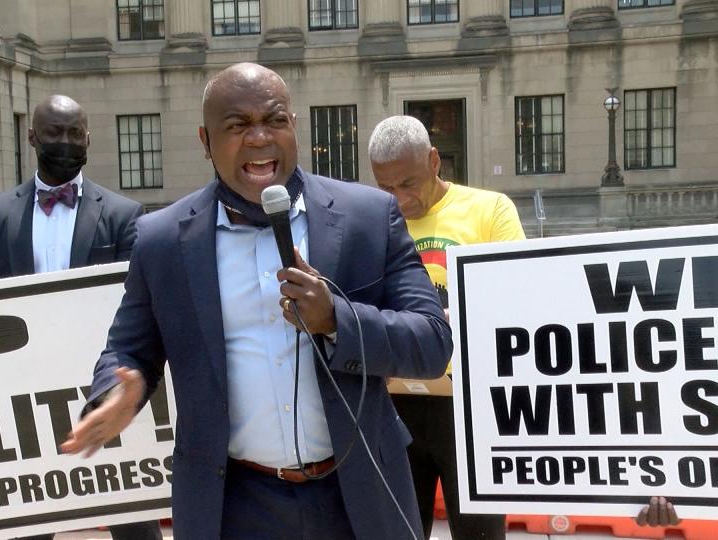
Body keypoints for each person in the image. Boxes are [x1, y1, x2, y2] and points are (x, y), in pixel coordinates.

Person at [61, 63, 453, 540]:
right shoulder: (162, 240)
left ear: (294, 126)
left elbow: (432, 343)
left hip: (359, 497)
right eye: (238, 126)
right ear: (206, 142)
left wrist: (337, 320)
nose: (260, 137)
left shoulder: (369, 217)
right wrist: (117, 393)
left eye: (274, 120)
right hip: (233, 506)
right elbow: (129, 348)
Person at [0, 95, 162, 540]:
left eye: (75, 132)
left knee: (134, 522)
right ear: (33, 137)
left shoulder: (123, 215)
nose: (66, 141)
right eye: (55, 132)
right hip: (23, 400)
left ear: (88, 138)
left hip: (103, 388)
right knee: (30, 526)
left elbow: (137, 305)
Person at [368, 115, 526, 540]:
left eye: (409, 183)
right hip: (396, 405)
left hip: (470, 408)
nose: (400, 199)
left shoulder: (490, 210)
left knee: (480, 534)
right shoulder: (371, 221)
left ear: (435, 161)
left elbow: (517, 301)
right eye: (386, 188)